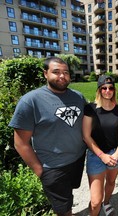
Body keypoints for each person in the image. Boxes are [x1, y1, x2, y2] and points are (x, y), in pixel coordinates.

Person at [9, 56, 87, 216]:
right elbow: (20, 143)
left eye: (65, 72)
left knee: (68, 195)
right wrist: (40, 171)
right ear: (45, 74)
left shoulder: (78, 97)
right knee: (63, 209)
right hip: (53, 166)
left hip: (78, 159)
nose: (62, 76)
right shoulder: (30, 101)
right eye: (56, 72)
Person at [82, 75, 118, 216]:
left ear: (114, 90)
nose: (108, 90)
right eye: (104, 88)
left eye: (111, 88)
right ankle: (97, 208)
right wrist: (102, 155)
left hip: (115, 154)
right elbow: (86, 136)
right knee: (95, 201)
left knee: (111, 182)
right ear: (99, 90)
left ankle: (107, 203)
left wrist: (117, 153)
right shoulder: (91, 109)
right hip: (96, 155)